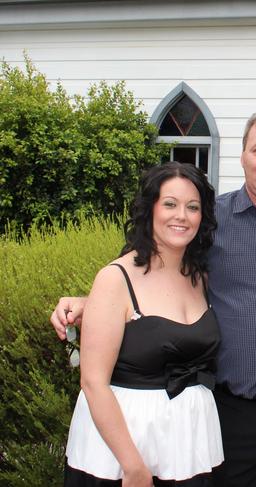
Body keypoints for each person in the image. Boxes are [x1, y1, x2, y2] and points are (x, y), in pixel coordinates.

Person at [52, 110, 256, 487]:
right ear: (242, 156)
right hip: (228, 411)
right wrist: (96, 301)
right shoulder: (209, 221)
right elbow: (148, 271)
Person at [63, 161, 223, 486]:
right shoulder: (115, 279)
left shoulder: (200, 278)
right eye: (170, 204)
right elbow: (93, 382)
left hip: (188, 445)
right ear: (149, 209)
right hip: (122, 452)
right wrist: (133, 466)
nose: (181, 215)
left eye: (192, 207)